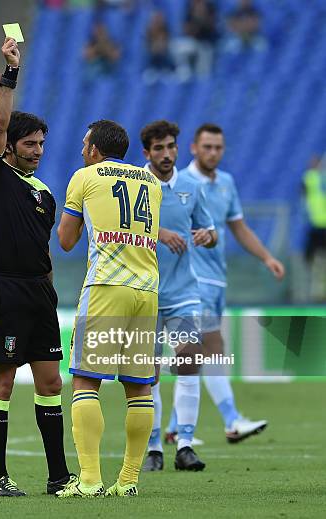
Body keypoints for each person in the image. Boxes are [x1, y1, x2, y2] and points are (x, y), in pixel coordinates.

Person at [0, 37, 73, 497]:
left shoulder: (46, 194)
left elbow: (44, 251)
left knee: (51, 380)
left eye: (41, 144)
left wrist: (50, 290)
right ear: (8, 147)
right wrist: (10, 72)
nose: (37, 150)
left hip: (38, 292)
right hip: (2, 290)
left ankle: (58, 477)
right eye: (29, 144)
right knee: (4, 380)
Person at [55, 120, 161, 498]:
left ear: (95, 150)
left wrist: (85, 215)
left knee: (85, 382)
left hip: (106, 286)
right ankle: (128, 481)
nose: (82, 150)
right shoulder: (150, 181)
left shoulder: (84, 176)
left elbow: (66, 241)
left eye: (85, 144)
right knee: (139, 388)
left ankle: (89, 481)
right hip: (147, 289)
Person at [163, 123, 284, 442]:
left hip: (217, 280)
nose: (213, 153)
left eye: (218, 147)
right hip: (192, 281)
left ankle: (176, 427)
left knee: (201, 354)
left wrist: (266, 257)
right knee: (206, 349)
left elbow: (239, 227)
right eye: (207, 147)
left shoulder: (226, 183)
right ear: (193, 148)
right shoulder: (181, 182)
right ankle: (231, 420)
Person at [140, 120, 217, 472]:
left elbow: (211, 230)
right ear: (147, 153)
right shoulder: (136, 185)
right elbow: (121, 227)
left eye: (171, 146)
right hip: (146, 291)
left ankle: (184, 444)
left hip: (185, 292)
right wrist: (161, 231)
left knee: (188, 362)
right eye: (159, 148)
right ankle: (153, 447)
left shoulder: (190, 185)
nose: (167, 154)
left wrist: (206, 237)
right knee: (150, 373)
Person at [302, 155, 326, 302]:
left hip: (318, 224)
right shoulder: (312, 177)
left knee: (315, 260)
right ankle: (315, 291)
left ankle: (317, 291)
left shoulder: (312, 177)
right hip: (316, 224)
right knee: (313, 260)